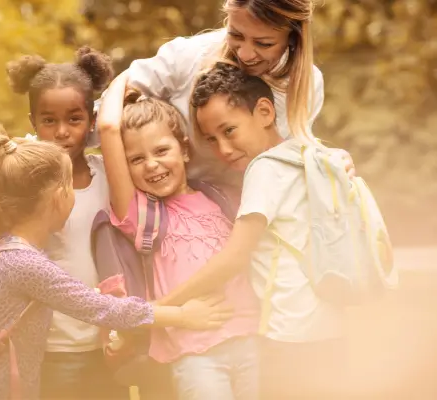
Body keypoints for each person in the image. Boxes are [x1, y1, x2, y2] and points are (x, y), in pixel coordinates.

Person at [0, 122, 233, 400]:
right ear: (58, 198)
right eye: (70, 187)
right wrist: (183, 316)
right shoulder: (24, 264)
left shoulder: (7, 249)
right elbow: (103, 308)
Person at [161, 62, 348, 399]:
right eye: (212, 140)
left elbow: (234, 257)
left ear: (264, 111)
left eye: (229, 131)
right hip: (332, 324)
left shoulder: (265, 169)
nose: (223, 149)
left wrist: (162, 308)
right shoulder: (311, 154)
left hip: (289, 332)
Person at [0, 46, 126, 400]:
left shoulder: (108, 175)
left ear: (92, 120)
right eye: (49, 120)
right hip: (43, 349)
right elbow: (4, 258)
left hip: (104, 340)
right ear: (33, 121)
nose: (62, 131)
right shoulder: (19, 182)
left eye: (75, 119)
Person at [96, 71, 260, 400]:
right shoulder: (142, 215)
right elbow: (108, 128)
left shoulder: (223, 197)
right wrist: (128, 77)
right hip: (195, 354)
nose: (152, 165)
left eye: (161, 151)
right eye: (137, 160)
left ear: (184, 149)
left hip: (252, 339)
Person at [111, 0, 354, 184]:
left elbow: (289, 158)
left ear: (293, 38)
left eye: (264, 43)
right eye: (236, 35)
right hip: (171, 205)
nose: (246, 54)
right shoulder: (190, 56)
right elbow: (108, 105)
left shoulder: (307, 86)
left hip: (241, 212)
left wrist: (328, 160)